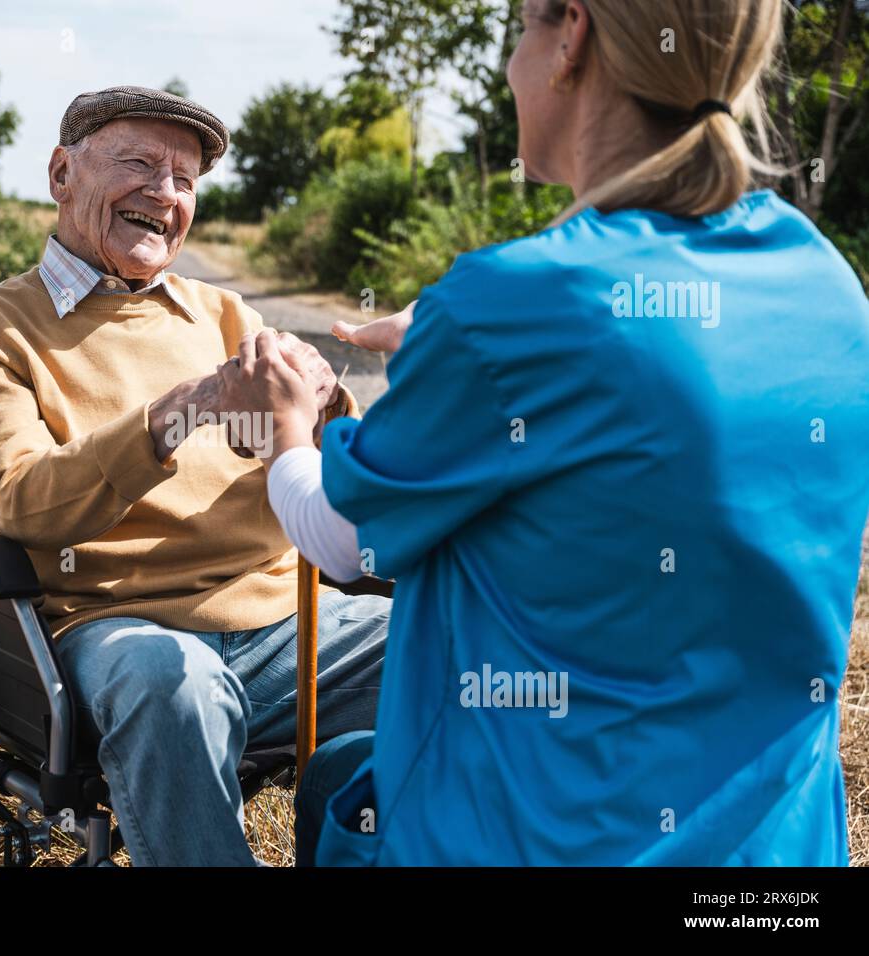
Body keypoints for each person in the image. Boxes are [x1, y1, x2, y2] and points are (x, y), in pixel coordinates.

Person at [217, 0, 869, 865]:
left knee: (335, 785)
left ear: (573, 37)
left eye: (523, 26)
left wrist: (288, 426)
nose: (509, 66)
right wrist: (462, 355)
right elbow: (654, 411)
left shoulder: (512, 305)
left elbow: (344, 542)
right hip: (774, 863)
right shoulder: (824, 280)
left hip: (540, 838)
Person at [0, 86, 389, 866]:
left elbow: (287, 449)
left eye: (184, 181)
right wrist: (178, 409)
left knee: (463, 639)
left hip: (284, 620)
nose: (165, 193)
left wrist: (322, 400)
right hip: (117, 626)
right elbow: (18, 497)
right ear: (61, 173)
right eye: (140, 164)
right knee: (174, 682)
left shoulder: (224, 314)